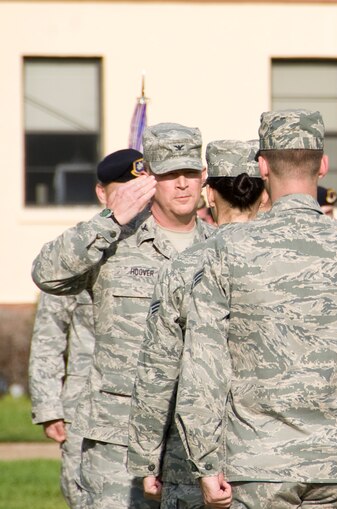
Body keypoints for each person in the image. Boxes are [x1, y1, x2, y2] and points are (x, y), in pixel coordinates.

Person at [174, 109, 337, 509]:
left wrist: (204, 463)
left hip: (257, 463)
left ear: (262, 166)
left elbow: (204, 362)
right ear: (323, 166)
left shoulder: (228, 250)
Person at [31, 123, 213, 508]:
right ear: (149, 180)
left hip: (198, 446)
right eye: (168, 175)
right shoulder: (116, 243)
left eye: (190, 173)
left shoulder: (221, 249)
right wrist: (110, 220)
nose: (182, 184)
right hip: (120, 441)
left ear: (204, 177)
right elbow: (47, 274)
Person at [127, 140, 265, 509]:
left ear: (210, 194)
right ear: (263, 193)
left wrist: (146, 459)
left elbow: (159, 370)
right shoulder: (290, 264)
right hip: (281, 458)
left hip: (194, 460)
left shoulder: (184, 267)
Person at [28, 148, 142, 509]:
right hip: (87, 406)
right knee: (87, 496)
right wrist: (49, 406)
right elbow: (50, 332)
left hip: (145, 402)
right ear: (101, 193)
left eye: (139, 188)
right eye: (122, 189)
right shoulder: (83, 248)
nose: (133, 197)